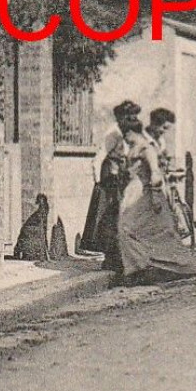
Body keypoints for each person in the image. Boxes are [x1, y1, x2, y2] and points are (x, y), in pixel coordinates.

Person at [115, 107, 196, 281]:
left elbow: (155, 173)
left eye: (127, 135)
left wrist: (155, 196)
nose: (125, 139)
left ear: (132, 132)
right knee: (137, 230)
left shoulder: (146, 147)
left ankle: (144, 267)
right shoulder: (137, 146)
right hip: (134, 191)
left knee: (128, 228)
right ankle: (140, 267)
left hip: (143, 194)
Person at [83, 101, 138, 270]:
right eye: (129, 118)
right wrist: (98, 183)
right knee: (110, 219)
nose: (132, 121)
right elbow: (99, 158)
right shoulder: (112, 134)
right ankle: (110, 258)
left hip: (119, 178)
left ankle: (117, 258)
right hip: (109, 180)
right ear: (121, 117)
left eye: (134, 118)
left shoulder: (123, 134)